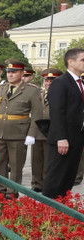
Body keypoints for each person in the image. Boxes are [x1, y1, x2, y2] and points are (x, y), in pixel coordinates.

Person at [0, 59, 44, 198]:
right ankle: (0, 191)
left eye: (14, 72)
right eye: (9, 72)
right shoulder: (1, 88)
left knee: (16, 165)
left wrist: (32, 134)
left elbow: (37, 114)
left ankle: (12, 192)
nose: (10, 75)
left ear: (22, 73)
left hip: (19, 133)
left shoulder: (31, 91)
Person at [42, 49, 84, 198]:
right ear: (71, 62)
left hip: (77, 138)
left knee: (68, 179)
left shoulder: (80, 83)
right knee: (56, 178)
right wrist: (61, 137)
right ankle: (46, 209)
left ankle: (61, 210)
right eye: (82, 60)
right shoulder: (60, 83)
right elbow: (57, 113)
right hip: (63, 139)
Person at [32, 68, 61, 193]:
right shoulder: (39, 94)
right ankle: (36, 183)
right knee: (36, 160)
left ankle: (47, 183)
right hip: (38, 130)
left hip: (51, 131)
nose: (48, 83)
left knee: (48, 160)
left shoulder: (60, 95)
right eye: (47, 81)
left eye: (52, 81)